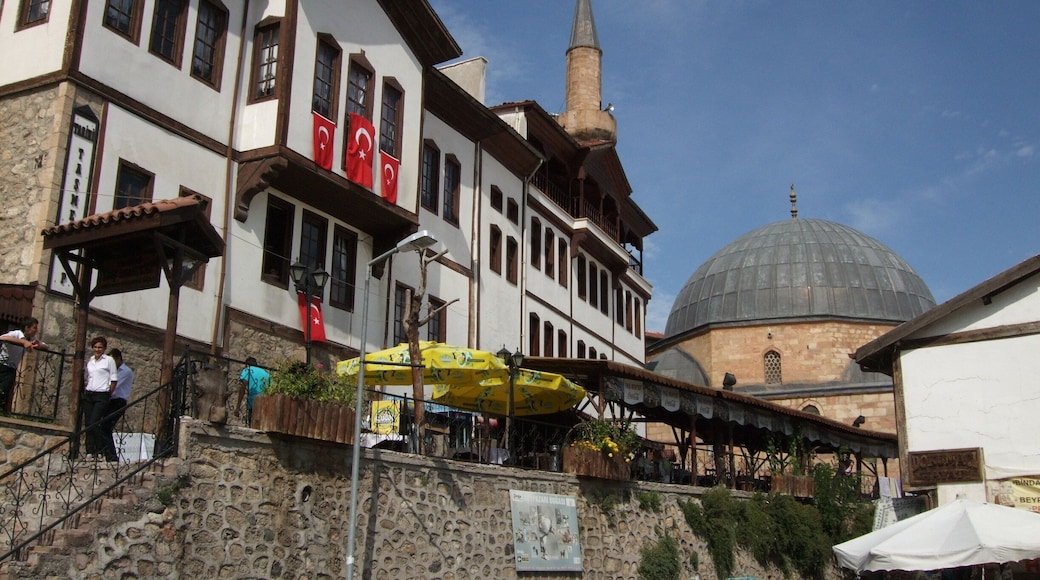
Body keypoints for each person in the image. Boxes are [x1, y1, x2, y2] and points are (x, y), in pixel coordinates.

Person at [0, 317, 46, 413]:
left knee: (5, 390)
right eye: (34, 327)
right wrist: (23, 342)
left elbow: (45, 346)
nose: (36, 330)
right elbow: (2, 337)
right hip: (1, 364)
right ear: (27, 328)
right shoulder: (16, 334)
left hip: (11, 368)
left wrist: (37, 345)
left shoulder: (31, 339)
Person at [83, 336, 118, 461]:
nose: (97, 350)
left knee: (94, 422)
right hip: (90, 393)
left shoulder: (108, 360)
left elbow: (114, 378)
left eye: (100, 347)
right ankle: (90, 451)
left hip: (102, 394)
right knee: (88, 423)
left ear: (104, 348)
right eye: (95, 347)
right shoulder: (91, 361)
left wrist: (109, 393)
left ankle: (99, 450)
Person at [101, 349, 134, 463]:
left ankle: (111, 456)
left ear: (119, 359)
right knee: (101, 425)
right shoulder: (111, 370)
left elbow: (114, 385)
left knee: (106, 426)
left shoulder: (125, 371)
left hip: (118, 401)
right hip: (109, 400)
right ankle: (102, 452)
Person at [237, 357, 270, 426]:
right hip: (266, 404)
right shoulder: (266, 373)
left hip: (253, 403)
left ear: (247, 365)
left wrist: (238, 407)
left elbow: (243, 386)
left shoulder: (248, 370)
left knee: (252, 425)